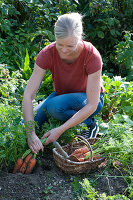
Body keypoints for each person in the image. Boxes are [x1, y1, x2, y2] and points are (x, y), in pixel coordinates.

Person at [22, 13, 104, 154]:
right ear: (55, 38)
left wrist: (60, 130)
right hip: (61, 96)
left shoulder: (91, 55)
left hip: (89, 100)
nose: (64, 50)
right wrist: (30, 134)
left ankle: (89, 124)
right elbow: (28, 95)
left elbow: (92, 104)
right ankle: (69, 119)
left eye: (70, 45)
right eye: (60, 44)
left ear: (80, 38)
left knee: (55, 107)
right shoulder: (47, 54)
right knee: (25, 125)